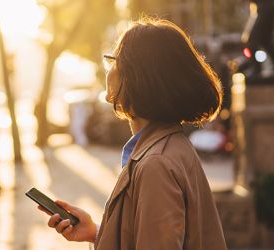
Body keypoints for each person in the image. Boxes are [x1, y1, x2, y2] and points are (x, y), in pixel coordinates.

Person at [40, 18, 227, 249]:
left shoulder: (155, 164)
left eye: (114, 61)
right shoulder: (169, 146)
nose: (109, 69)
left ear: (137, 76)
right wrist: (96, 233)